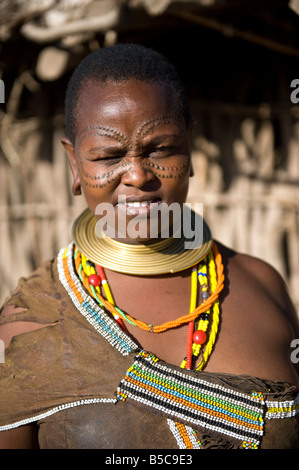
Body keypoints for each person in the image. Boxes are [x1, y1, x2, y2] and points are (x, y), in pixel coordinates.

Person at [0, 44, 298, 450]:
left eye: (160, 149)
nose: (138, 175)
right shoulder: (32, 319)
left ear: (189, 145)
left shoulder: (261, 284)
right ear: (75, 164)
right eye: (108, 155)